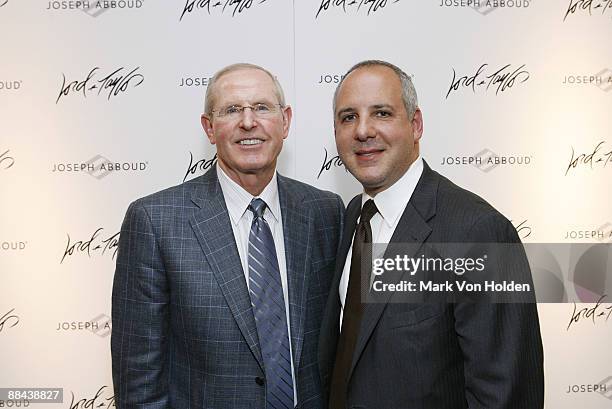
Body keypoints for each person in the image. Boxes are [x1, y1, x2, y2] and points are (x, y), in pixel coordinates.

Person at [111, 63, 344, 409]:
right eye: (232, 110)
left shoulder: (326, 212)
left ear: (286, 121)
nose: (248, 122)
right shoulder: (155, 222)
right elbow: (139, 379)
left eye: (262, 107)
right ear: (209, 127)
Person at [318, 60, 544, 408]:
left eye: (381, 113)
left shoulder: (479, 232)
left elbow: (507, 394)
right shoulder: (351, 217)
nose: (362, 130)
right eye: (348, 117)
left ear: (416, 124)